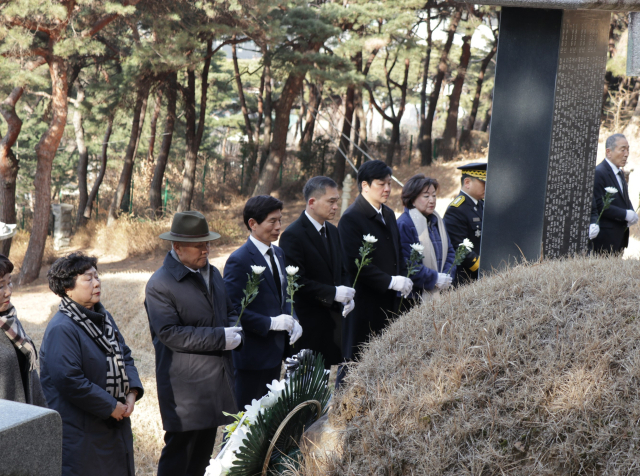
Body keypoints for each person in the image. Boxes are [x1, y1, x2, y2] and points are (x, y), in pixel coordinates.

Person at [145, 211, 242, 476]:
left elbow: (230, 309)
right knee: (179, 456)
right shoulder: (160, 285)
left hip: (214, 381)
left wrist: (237, 329)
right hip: (185, 388)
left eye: (207, 243)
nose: (206, 249)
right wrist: (221, 338)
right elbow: (170, 333)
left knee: (202, 456)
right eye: (199, 245)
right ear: (177, 247)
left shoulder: (213, 273)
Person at [40, 252, 144, 476]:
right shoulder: (62, 328)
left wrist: (132, 391)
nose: (96, 283)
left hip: (114, 424)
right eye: (88, 279)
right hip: (83, 432)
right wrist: (110, 406)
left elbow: (124, 354)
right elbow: (69, 379)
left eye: (97, 277)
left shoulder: (103, 318)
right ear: (68, 288)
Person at [224, 195, 302, 409]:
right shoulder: (239, 260)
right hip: (252, 357)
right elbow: (232, 310)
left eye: (280, 220)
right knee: (243, 422)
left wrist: (293, 318)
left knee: (267, 418)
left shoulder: (278, 253)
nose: (278, 227)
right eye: (272, 221)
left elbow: (284, 294)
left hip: (276, 353)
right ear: (253, 224)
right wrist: (271, 323)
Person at [338, 160, 412, 365]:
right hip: (365, 304)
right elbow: (354, 264)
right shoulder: (351, 218)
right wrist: (390, 281)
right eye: (381, 184)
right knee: (357, 364)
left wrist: (403, 278)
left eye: (389, 183)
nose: (387, 189)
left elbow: (398, 252)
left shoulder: (388, 214)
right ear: (365, 185)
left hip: (390, 303)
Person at [279, 176, 355, 371]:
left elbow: (342, 269)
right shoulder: (293, 235)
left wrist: (347, 294)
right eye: (331, 201)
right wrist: (333, 293)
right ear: (312, 202)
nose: (335, 206)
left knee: (325, 384)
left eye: (337, 201)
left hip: (332, 323)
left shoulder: (332, 230)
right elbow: (296, 282)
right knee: (306, 389)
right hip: (308, 326)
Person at [397, 174, 455, 305]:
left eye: (434, 195)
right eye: (426, 196)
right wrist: (434, 278)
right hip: (413, 298)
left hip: (441, 292)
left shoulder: (437, 222)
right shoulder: (404, 224)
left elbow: (450, 251)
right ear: (412, 199)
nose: (432, 200)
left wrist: (446, 276)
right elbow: (407, 264)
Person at [0, 254, 46, 406]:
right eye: (1, 286)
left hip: (24, 418)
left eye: (10, 283)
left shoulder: (10, 320)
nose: (8, 292)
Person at [589, 133, 638, 254]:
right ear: (608, 152)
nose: (626, 154)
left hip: (620, 238)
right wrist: (624, 214)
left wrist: (631, 211)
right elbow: (599, 204)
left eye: (627, 149)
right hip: (605, 239)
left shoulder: (620, 173)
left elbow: (623, 198)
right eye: (622, 150)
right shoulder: (599, 172)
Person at [443, 162, 486, 284]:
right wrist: (482, 267)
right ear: (467, 182)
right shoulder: (456, 209)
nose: (487, 186)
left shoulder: (481, 204)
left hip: (482, 275)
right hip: (466, 278)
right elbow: (459, 247)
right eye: (483, 183)